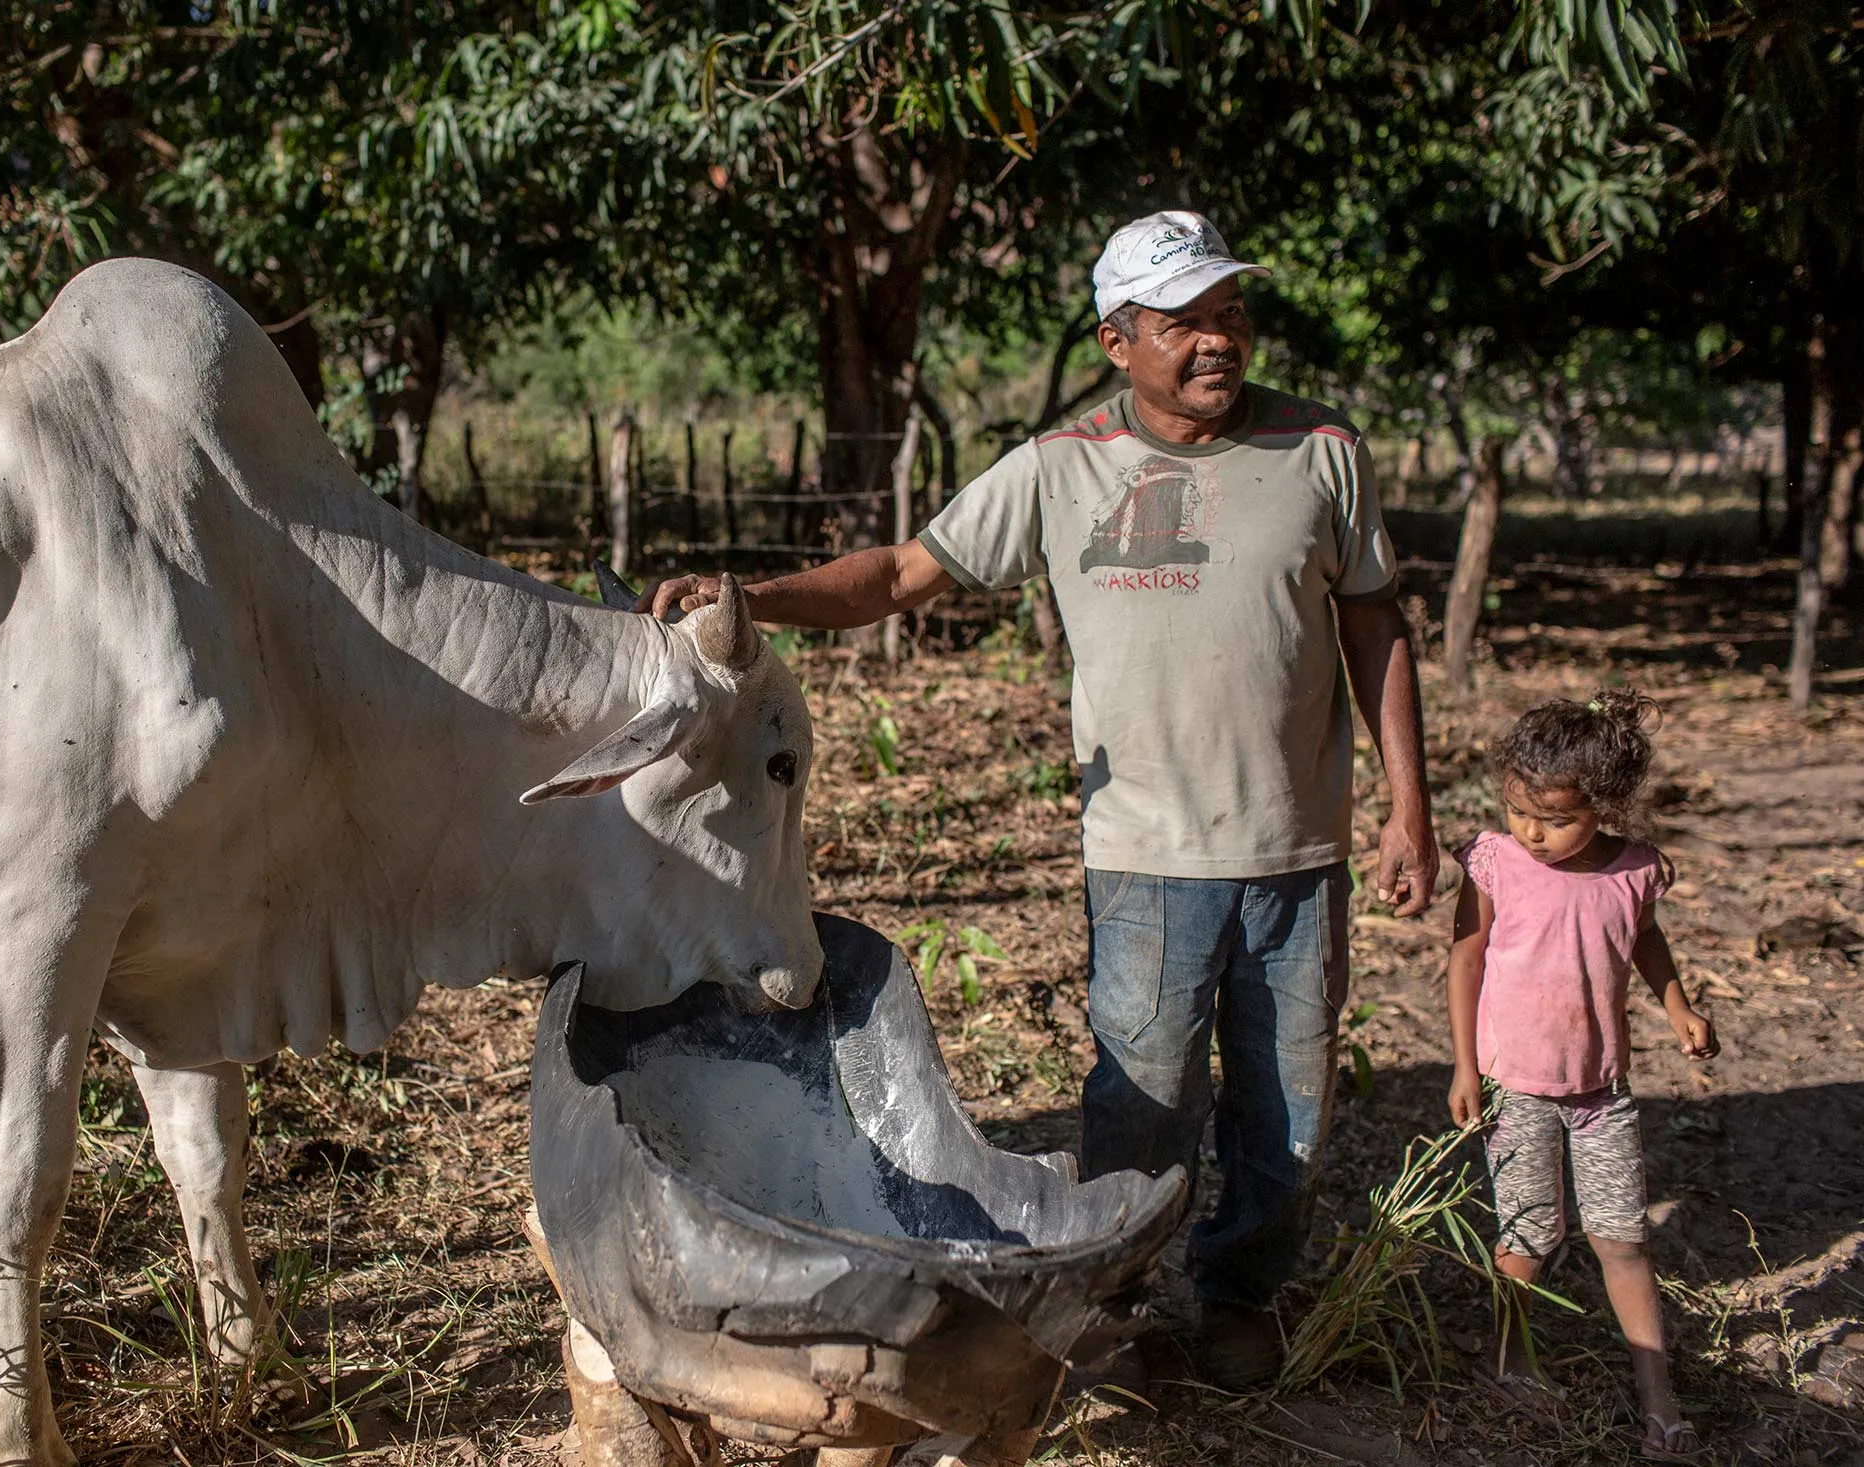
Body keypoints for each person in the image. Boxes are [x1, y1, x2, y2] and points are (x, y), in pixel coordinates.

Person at [641, 209, 1439, 1388]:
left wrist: (1408, 808)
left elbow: (1373, 621)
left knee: (1290, 1112)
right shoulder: (1061, 468)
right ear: (1118, 341)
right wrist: (751, 596)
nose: (1218, 341)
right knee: (1142, 1105)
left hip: (1298, 851)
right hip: (1146, 857)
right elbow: (897, 575)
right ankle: (1110, 1311)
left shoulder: (1321, 449)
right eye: (1185, 323)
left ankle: (1239, 1298)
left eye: (1230, 315)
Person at [1445, 691, 1717, 1461]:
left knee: (1623, 1237)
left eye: (1555, 818)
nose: (1532, 830)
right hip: (1515, 1087)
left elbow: (1645, 940)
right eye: (1519, 810)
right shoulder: (1496, 862)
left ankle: (1658, 1394)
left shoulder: (1634, 871)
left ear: (1604, 805)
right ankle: (1510, 1356)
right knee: (1529, 1233)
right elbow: (1465, 957)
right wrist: (1464, 1064)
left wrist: (1679, 1007)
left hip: (1602, 1091)